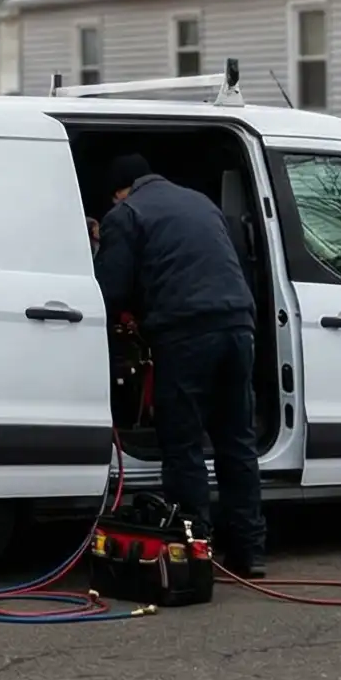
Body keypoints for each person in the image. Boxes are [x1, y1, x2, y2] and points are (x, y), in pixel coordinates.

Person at [90, 152, 266, 577]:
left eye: (114, 198)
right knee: (236, 443)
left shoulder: (127, 214)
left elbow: (109, 291)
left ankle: (194, 550)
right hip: (238, 326)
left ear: (121, 190)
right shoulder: (201, 202)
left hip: (187, 334)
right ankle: (249, 552)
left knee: (183, 445)